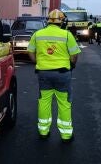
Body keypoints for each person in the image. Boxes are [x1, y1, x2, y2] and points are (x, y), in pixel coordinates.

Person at [27, 9, 81, 143]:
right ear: (62, 22)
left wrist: (38, 62)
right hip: (63, 74)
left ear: (48, 21)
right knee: (64, 103)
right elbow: (74, 55)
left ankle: (43, 132)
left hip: (44, 73)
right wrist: (71, 65)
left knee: (44, 101)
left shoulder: (37, 34)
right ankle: (66, 135)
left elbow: (30, 51)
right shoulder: (67, 35)